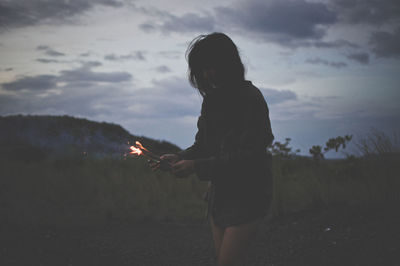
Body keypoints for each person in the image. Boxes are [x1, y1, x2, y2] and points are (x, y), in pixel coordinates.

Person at [155, 32, 274, 266]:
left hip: (248, 194)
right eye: (202, 69)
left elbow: (249, 157)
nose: (207, 74)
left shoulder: (251, 98)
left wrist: (195, 166)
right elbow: (204, 146)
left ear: (228, 63)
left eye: (212, 66)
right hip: (221, 196)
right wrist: (179, 157)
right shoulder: (211, 101)